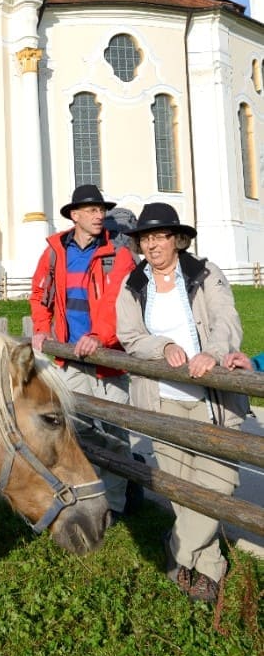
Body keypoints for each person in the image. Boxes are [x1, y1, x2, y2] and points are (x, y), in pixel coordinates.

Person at [116, 202, 249, 604]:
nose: (153, 245)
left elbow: (228, 318)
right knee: (182, 488)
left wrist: (214, 350)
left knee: (216, 483)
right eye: (146, 238)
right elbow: (130, 336)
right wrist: (165, 345)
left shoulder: (204, 273)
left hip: (212, 401)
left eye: (160, 236)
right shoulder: (133, 284)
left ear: (177, 239)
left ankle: (178, 551)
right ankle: (209, 568)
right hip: (164, 403)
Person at [30, 184, 137, 517]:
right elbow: (38, 295)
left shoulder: (118, 254)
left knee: (116, 434)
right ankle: (90, 498)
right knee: (79, 431)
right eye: (91, 210)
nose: (99, 215)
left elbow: (116, 303)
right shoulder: (54, 252)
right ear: (74, 215)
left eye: (101, 210)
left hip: (108, 360)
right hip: (70, 360)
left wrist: (98, 336)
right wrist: (41, 329)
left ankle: (116, 506)